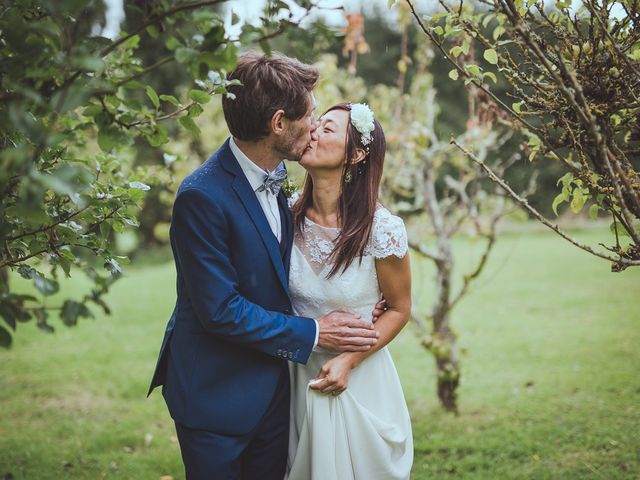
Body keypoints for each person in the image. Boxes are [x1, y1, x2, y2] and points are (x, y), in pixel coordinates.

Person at [147, 53, 382, 480]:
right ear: (278, 124)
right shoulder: (201, 197)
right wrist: (315, 332)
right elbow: (220, 310)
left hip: (278, 392)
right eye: (309, 116)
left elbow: (283, 277)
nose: (314, 125)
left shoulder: (279, 184)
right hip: (214, 397)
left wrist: (369, 305)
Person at [287, 102, 414, 479]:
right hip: (294, 380)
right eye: (316, 124)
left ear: (356, 154)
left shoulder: (383, 229)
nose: (312, 132)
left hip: (359, 381)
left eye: (328, 129)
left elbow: (399, 308)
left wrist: (347, 361)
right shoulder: (282, 215)